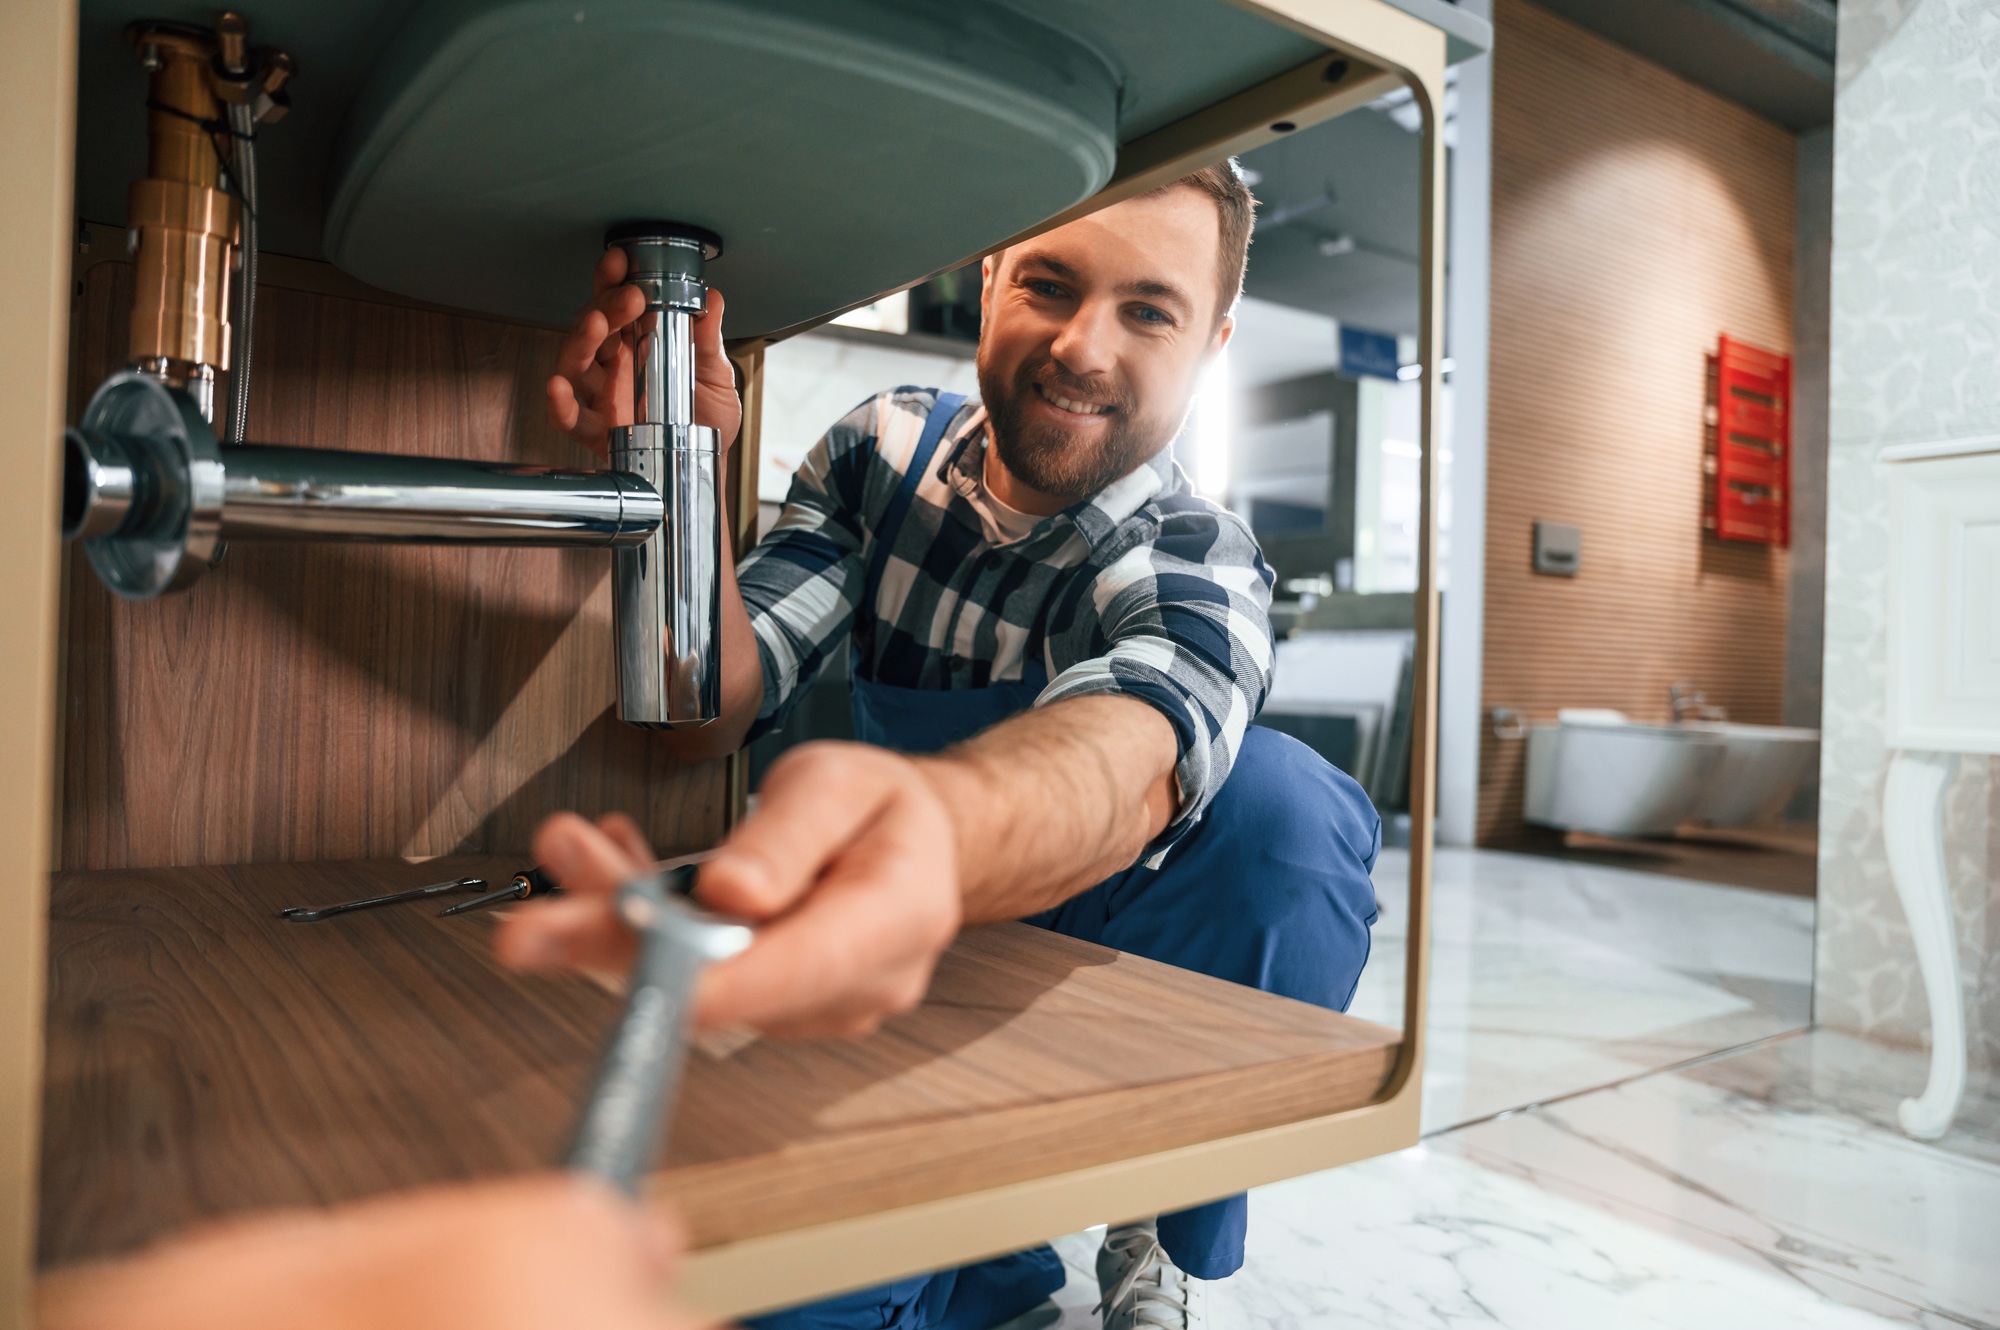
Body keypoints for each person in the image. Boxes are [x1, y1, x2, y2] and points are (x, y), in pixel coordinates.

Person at [511, 159, 1383, 1330]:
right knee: (775, 1297)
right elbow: (701, 717)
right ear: (987, 283)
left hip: (1089, 981)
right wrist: (684, 464)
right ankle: (986, 1234)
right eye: (1049, 284)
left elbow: (1137, 751)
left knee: (1286, 818)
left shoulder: (1195, 547)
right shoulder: (877, 455)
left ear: (1209, 345)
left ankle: (1153, 1196)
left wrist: (931, 834)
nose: (1081, 347)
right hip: (908, 970)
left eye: (1147, 311)